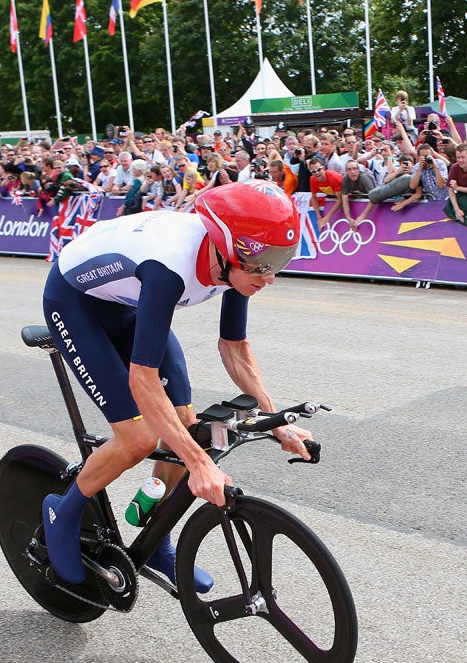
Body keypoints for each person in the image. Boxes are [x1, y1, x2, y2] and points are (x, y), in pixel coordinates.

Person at [39, 181, 313, 591]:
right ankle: (64, 511)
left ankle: (158, 541)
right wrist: (201, 464)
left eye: (279, 263)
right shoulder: (170, 266)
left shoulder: (237, 264)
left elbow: (234, 349)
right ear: (223, 247)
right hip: (76, 305)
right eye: (261, 266)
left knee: (187, 426)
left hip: (128, 301)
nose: (269, 277)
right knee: (139, 439)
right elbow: (142, 381)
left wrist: (276, 421)